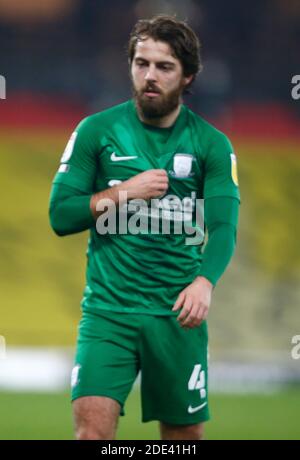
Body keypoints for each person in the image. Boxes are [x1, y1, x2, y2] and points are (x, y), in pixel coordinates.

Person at [49, 15, 240, 440]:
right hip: (107, 313)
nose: (149, 75)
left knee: (181, 441)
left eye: (164, 66)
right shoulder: (95, 131)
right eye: (141, 63)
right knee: (91, 435)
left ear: (188, 75)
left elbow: (224, 227)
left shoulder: (211, 144)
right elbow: (60, 216)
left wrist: (205, 281)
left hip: (176, 316)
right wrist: (123, 193)